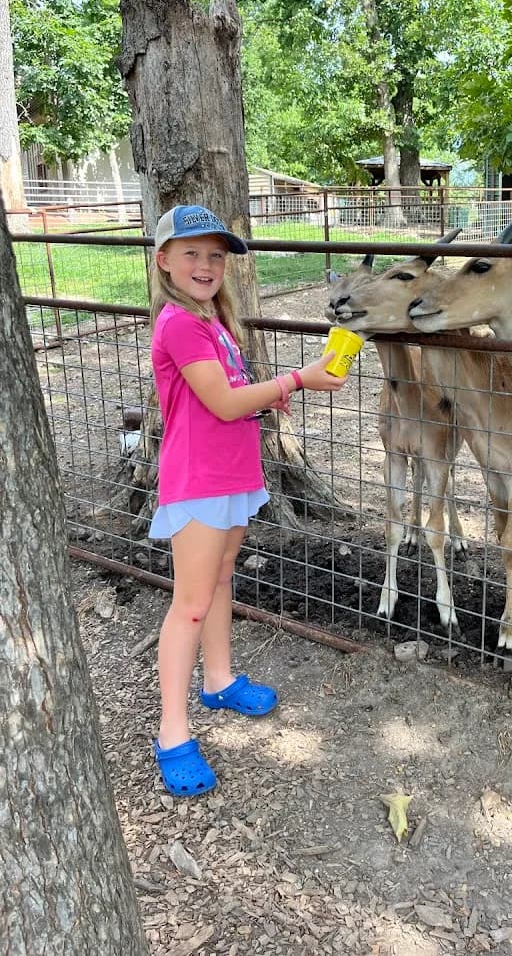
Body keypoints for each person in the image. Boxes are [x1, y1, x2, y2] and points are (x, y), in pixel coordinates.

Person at [147, 203, 347, 797]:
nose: (206, 265)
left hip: (232, 472)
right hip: (198, 480)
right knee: (189, 604)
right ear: (164, 260)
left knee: (221, 580)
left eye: (216, 255)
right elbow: (223, 404)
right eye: (192, 253)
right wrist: (296, 380)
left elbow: (231, 393)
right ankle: (172, 733)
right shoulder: (181, 324)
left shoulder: (213, 319)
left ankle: (219, 680)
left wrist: (266, 394)